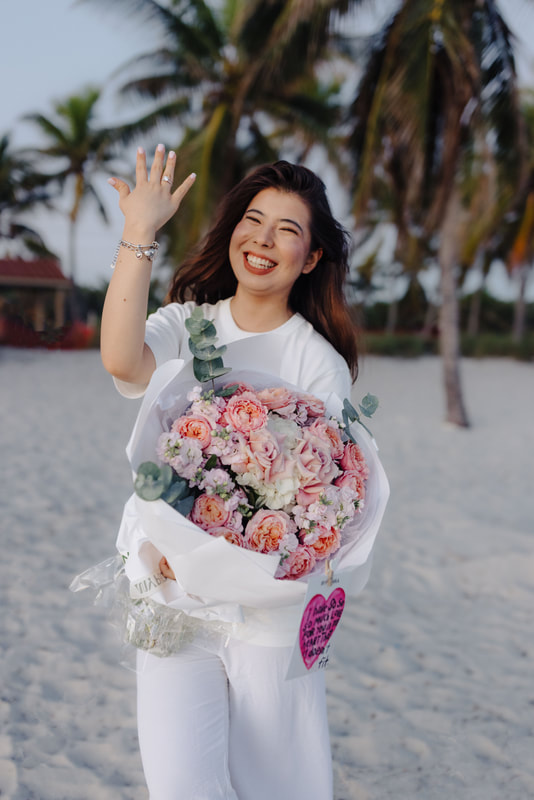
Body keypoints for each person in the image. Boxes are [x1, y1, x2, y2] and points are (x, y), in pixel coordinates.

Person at [101, 144, 359, 800]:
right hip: (172, 592)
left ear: (313, 256)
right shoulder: (189, 326)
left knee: (276, 784)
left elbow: (321, 495)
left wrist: (221, 556)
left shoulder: (316, 363)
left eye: (288, 229)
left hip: (266, 610)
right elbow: (123, 363)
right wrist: (139, 232)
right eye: (253, 218)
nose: (263, 239)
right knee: (181, 784)